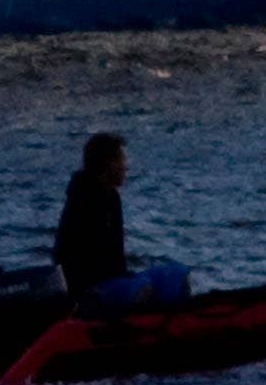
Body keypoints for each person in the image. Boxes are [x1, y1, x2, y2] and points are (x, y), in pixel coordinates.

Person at [53, 132, 187, 312]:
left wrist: (124, 277)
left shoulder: (112, 198)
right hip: (90, 288)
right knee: (142, 287)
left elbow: (116, 255)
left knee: (176, 274)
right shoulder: (83, 199)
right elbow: (72, 258)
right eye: (122, 160)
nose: (126, 167)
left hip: (115, 279)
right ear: (109, 163)